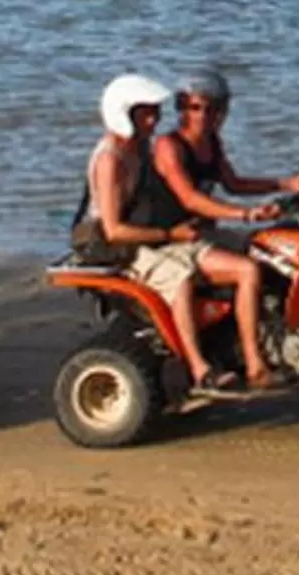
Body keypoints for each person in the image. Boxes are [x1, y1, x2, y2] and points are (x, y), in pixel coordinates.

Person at [77, 73, 235, 393]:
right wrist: (170, 234)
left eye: (155, 111)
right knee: (181, 278)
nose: (155, 119)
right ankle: (199, 369)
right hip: (117, 247)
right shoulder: (111, 159)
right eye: (146, 112)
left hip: (147, 236)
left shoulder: (139, 147)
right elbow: (114, 229)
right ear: (124, 114)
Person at [152, 70, 299, 389]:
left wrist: (285, 185)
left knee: (273, 251)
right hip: (174, 240)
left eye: (212, 109)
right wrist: (245, 215)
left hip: (204, 236)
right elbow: (189, 199)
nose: (204, 116)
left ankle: (277, 339)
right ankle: (254, 364)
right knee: (247, 271)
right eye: (195, 107)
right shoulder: (169, 146)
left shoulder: (211, 143)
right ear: (182, 108)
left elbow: (233, 183)